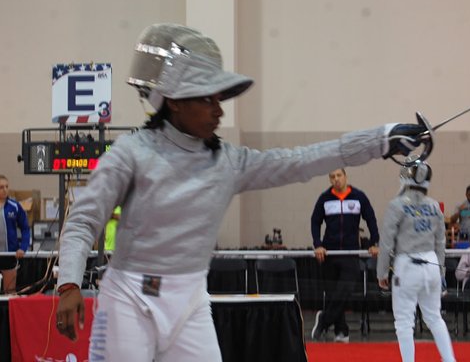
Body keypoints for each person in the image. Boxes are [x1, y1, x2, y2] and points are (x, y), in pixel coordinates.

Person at [54, 23, 428, 361]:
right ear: (174, 101)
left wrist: (380, 139)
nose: (219, 110)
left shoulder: (227, 162)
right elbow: (84, 220)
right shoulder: (130, 154)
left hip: (190, 303)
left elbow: (303, 160)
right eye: (207, 99)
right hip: (128, 302)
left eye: (219, 99)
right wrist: (69, 282)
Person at [377, 159, 455, 362]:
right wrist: (441, 273)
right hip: (431, 265)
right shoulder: (434, 206)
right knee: (434, 318)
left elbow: (386, 243)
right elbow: (440, 243)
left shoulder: (396, 205)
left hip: (407, 266)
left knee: (404, 322)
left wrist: (382, 272)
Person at [310, 168, 379, 343]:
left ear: (346, 177)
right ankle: (341, 331)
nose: (336, 179)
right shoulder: (324, 198)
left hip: (350, 252)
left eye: (339, 175)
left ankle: (324, 320)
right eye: (332, 177)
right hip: (329, 253)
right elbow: (315, 221)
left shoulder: (358, 197)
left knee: (344, 290)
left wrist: (374, 242)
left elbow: (370, 218)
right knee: (334, 294)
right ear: (329, 180)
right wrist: (318, 244)